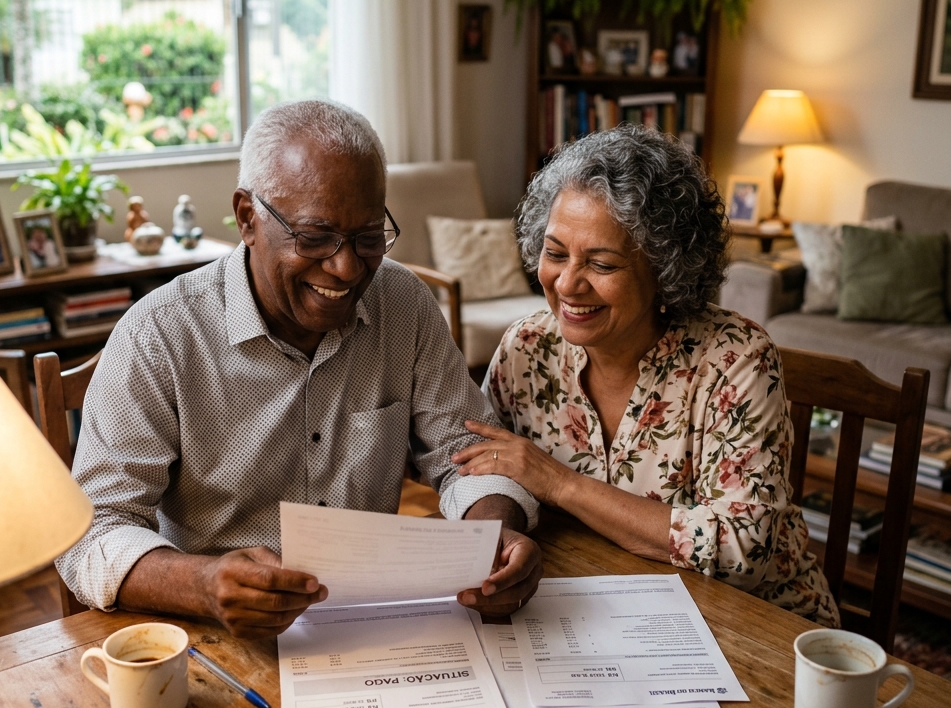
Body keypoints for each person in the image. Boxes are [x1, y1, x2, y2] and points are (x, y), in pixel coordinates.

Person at [57, 99, 542, 637]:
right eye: (314, 238)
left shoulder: (403, 303)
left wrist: (490, 540)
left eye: (366, 237)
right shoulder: (160, 337)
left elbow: (468, 458)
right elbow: (91, 532)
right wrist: (204, 584)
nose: (346, 267)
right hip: (216, 639)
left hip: (372, 624)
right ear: (247, 218)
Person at [452, 125, 838, 626]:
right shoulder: (527, 347)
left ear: (665, 268)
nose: (568, 283)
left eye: (601, 263)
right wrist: (504, 534)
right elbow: (487, 478)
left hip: (757, 627)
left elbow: (742, 550)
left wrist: (559, 484)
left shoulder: (736, 359)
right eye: (555, 253)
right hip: (595, 608)